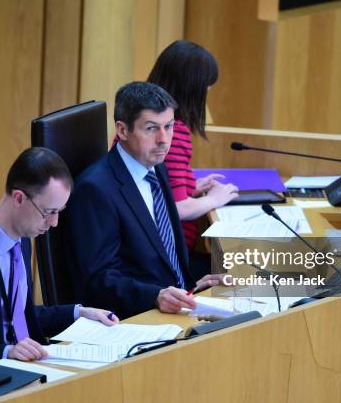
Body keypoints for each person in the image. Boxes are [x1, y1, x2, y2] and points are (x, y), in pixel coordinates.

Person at [0, 147, 118, 363]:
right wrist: (6, 352)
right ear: (18, 198)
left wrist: (79, 313)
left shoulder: (23, 240)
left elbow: (18, 316)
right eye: (49, 212)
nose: (54, 223)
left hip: (33, 366)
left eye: (59, 212)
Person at [64, 82, 224, 319]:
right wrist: (155, 295)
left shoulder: (156, 166)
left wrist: (192, 287)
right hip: (136, 317)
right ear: (123, 130)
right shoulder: (95, 190)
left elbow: (162, 255)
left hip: (178, 302)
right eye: (151, 128)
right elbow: (98, 280)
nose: (163, 139)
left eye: (168, 127)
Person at [147, 40, 239, 273]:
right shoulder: (170, 133)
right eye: (206, 87)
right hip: (171, 261)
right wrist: (214, 200)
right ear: (192, 88)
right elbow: (177, 209)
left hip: (156, 251)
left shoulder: (145, 121)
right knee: (249, 270)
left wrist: (190, 186)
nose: (208, 93)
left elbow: (156, 189)